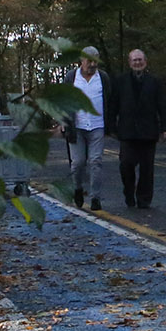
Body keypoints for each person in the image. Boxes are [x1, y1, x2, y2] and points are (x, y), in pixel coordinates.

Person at [112, 49, 165, 209]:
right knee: (126, 164)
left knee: (147, 168)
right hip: (127, 132)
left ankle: (144, 199)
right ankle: (129, 192)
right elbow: (113, 104)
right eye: (134, 60)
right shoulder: (120, 81)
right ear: (129, 63)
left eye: (140, 60)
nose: (137, 63)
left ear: (145, 62)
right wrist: (111, 126)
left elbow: (162, 106)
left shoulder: (155, 82)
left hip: (148, 132)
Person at [63, 46, 110, 210]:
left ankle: (95, 197)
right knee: (78, 162)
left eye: (95, 61)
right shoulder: (71, 77)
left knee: (96, 161)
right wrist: (64, 121)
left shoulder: (103, 78)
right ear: (81, 61)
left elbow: (109, 99)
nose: (92, 64)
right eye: (89, 60)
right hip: (77, 126)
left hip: (97, 125)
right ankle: (77, 188)